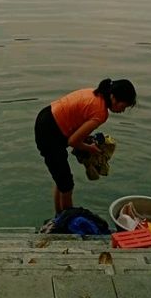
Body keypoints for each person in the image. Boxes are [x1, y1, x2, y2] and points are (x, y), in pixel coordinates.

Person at [34, 78, 137, 214]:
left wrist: (86, 141)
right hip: (50, 131)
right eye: (123, 106)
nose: (122, 111)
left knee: (62, 180)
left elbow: (76, 125)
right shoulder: (101, 113)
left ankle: (59, 216)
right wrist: (91, 149)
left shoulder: (95, 94)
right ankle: (67, 223)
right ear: (113, 97)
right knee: (67, 185)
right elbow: (73, 141)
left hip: (47, 118)